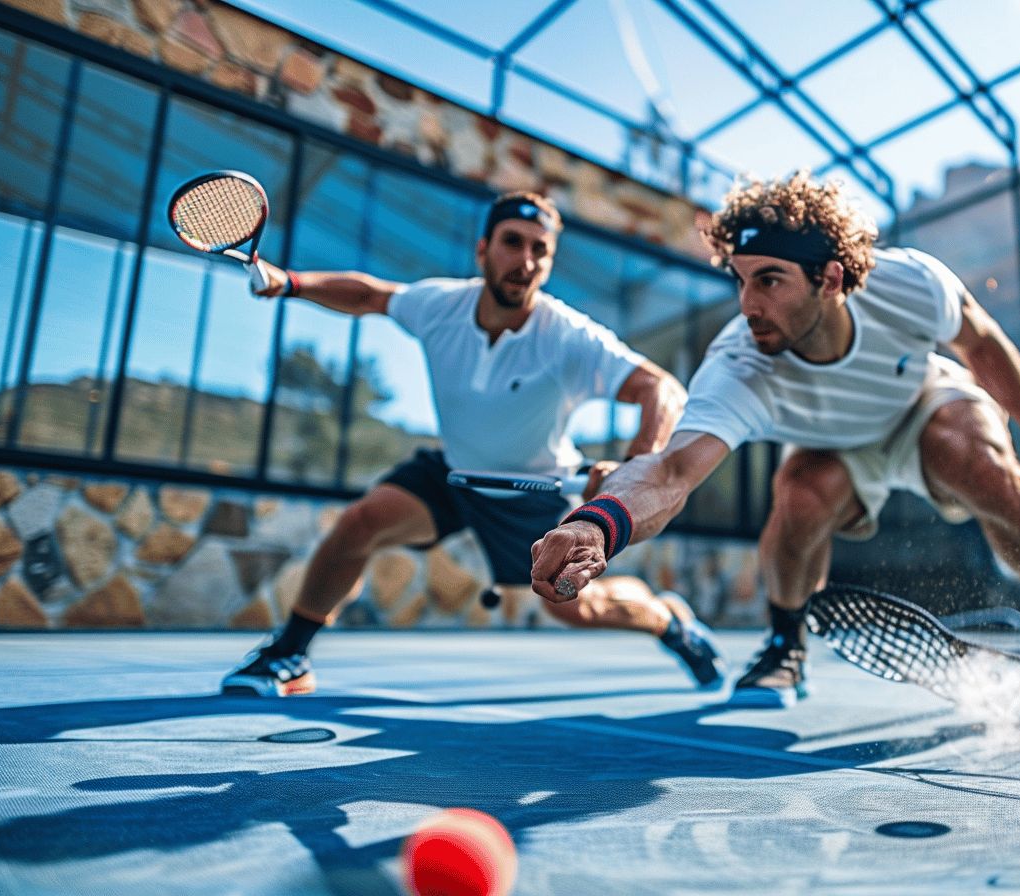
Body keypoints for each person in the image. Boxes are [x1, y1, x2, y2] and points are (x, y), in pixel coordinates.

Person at [530, 172, 1020, 706]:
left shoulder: (910, 282)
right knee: (801, 497)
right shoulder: (738, 364)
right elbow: (671, 472)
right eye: (740, 281)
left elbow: (982, 344)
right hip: (829, 442)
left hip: (920, 402)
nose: (748, 304)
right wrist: (595, 525)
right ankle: (785, 644)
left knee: (984, 469)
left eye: (769, 281)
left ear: (831, 278)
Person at [221, 192, 727, 696]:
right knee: (360, 523)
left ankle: (667, 620)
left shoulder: (568, 335)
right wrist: (290, 282)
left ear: (548, 264)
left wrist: (636, 465)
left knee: (577, 608)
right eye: (513, 243)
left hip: (535, 490)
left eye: (539, 250)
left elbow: (659, 388)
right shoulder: (440, 306)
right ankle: (289, 654)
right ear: (484, 249)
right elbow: (370, 295)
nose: (525, 261)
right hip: (456, 472)